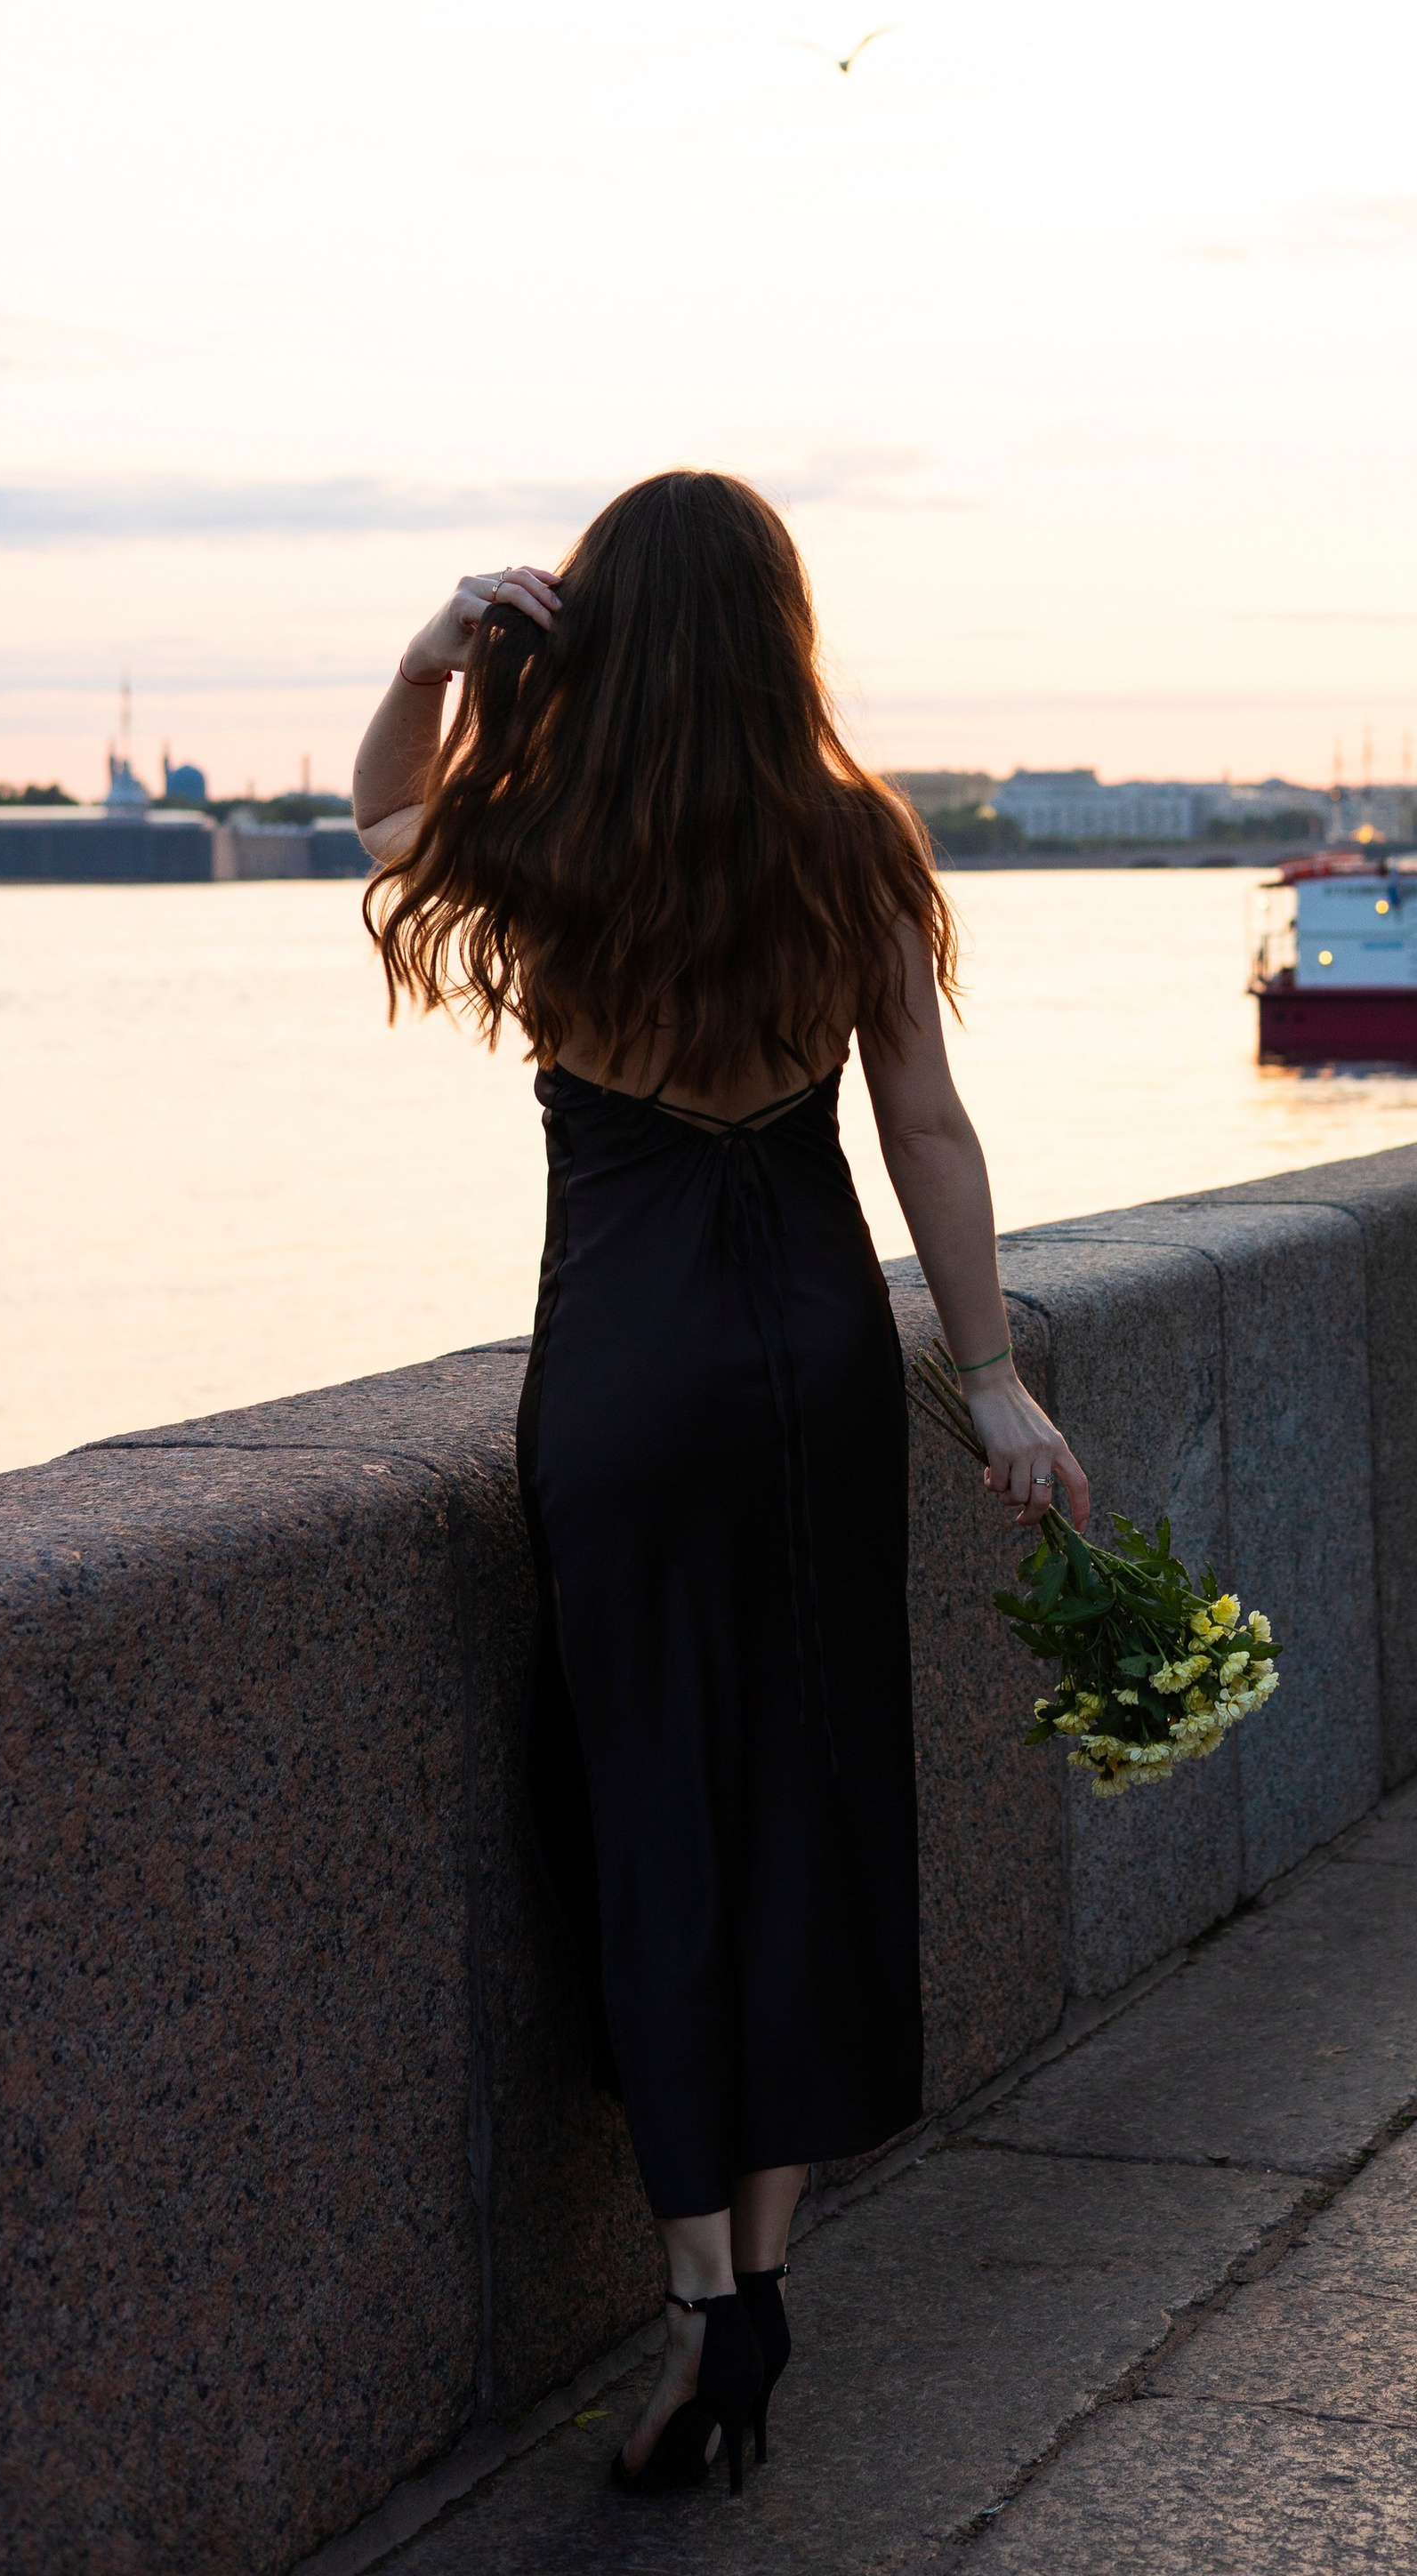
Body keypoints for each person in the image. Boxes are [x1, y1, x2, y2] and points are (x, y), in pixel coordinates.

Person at [351, 470, 1089, 2499]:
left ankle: (701, 2289)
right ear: (779, 630)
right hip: (816, 1374)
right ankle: (763, 2256)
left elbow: (381, 818)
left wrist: (435, 654)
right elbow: (924, 1125)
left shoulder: (553, 838)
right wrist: (996, 1382)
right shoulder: (850, 843)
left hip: (627, 1377)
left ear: (594, 633)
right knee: (808, 1789)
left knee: (653, 1802)